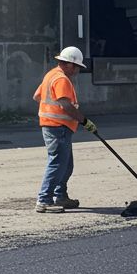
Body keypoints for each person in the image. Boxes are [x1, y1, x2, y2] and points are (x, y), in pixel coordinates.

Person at [33, 46, 93, 213]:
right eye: (77, 67)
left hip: (57, 126)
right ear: (69, 64)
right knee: (58, 163)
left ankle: (60, 196)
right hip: (57, 127)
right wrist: (84, 120)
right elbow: (65, 104)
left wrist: (50, 111)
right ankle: (44, 200)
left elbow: (37, 96)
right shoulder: (61, 79)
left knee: (66, 165)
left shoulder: (50, 75)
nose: (77, 71)